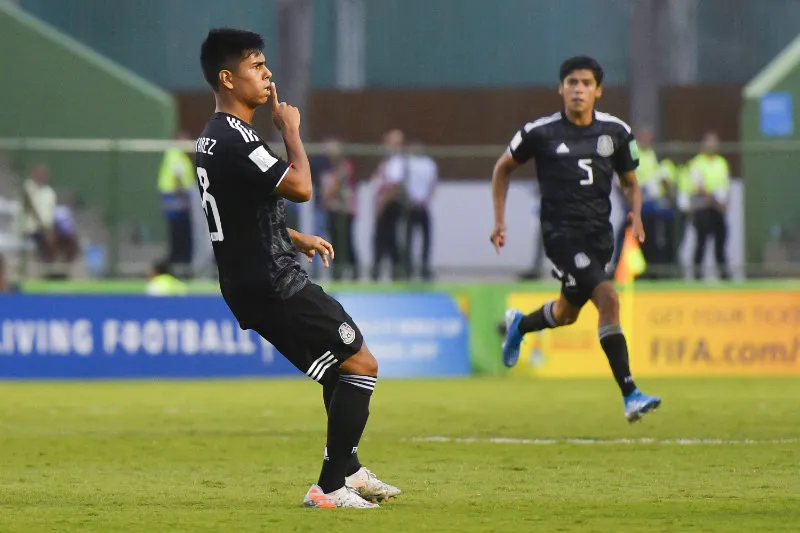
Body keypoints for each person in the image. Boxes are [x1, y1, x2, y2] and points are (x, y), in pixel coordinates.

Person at [196, 28, 398, 508]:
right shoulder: (237, 138)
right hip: (272, 282)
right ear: (228, 78)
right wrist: (291, 132)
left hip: (254, 279)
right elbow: (303, 187)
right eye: (256, 66)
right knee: (362, 363)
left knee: (339, 372)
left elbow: (240, 216)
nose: (267, 75)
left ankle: (347, 470)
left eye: (266, 64)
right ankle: (328, 487)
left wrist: (294, 236)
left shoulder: (215, 137)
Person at [489, 56, 661, 423]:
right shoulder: (540, 132)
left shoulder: (616, 132)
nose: (578, 89)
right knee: (608, 298)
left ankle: (519, 325)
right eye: (571, 82)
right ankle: (630, 392)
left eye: (585, 83)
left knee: (566, 313)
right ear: (560, 88)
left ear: (598, 90)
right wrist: (500, 220)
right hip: (560, 235)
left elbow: (631, 183)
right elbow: (502, 168)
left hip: (599, 236)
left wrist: (637, 215)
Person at [687, 131, 730, 281]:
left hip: (718, 209)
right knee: (701, 242)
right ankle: (697, 276)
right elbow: (699, 186)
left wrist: (724, 203)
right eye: (708, 142)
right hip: (704, 208)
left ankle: (724, 275)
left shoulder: (721, 163)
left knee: (721, 243)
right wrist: (714, 200)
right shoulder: (697, 163)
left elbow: (725, 185)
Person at [321, 138, 360, 281]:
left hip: (343, 211)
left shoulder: (344, 166)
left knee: (346, 241)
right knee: (335, 242)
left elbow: (334, 187)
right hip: (334, 210)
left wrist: (325, 197)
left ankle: (353, 271)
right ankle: (337, 271)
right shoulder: (332, 168)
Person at [370, 129, 406, 281]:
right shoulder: (387, 161)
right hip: (383, 204)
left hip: (390, 205)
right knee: (380, 238)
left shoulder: (397, 162)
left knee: (388, 238)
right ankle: (379, 270)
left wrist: (382, 205)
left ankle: (395, 271)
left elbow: (394, 186)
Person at [158, 132, 195, 274]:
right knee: (178, 229)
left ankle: (179, 259)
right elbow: (177, 177)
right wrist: (183, 198)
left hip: (176, 197)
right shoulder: (175, 154)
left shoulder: (179, 155)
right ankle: (178, 260)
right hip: (175, 197)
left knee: (179, 229)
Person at [403, 140, 438, 281]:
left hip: (423, 205)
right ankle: (408, 268)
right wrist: (412, 199)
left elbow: (432, 183)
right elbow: (405, 183)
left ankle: (424, 267)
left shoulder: (429, 164)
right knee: (409, 238)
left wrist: (425, 199)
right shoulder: (408, 163)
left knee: (426, 238)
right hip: (411, 205)